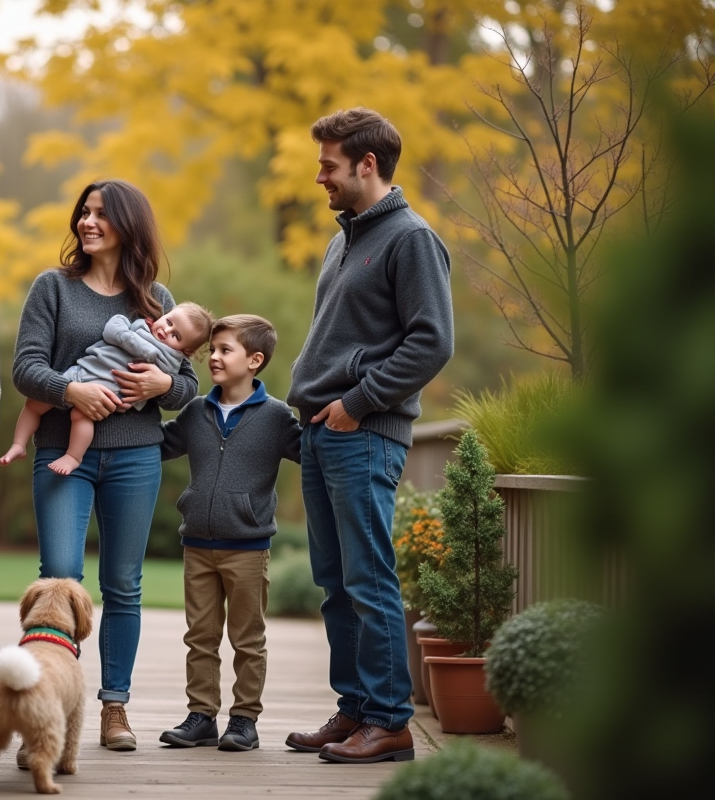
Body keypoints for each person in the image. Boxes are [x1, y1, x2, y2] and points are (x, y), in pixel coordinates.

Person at [285, 107, 453, 763]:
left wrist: (358, 402)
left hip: (365, 431)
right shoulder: (344, 238)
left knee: (369, 579)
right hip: (323, 431)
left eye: (328, 165)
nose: (319, 177)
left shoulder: (411, 239)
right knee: (335, 581)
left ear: (366, 164)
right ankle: (355, 709)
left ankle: (389, 721)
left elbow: (431, 343)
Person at [11, 178, 200, 751]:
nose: (87, 223)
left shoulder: (157, 300)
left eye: (100, 215)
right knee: (59, 580)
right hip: (62, 453)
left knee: (123, 584)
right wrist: (74, 394)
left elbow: (187, 387)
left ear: (128, 226)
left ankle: (114, 708)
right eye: (83, 213)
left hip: (136, 457)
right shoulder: (54, 288)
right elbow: (26, 368)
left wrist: (165, 381)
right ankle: (40, 706)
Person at [157, 314, 302, 752]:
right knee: (199, 636)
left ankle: (243, 721)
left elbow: (314, 454)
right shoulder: (197, 409)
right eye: (213, 349)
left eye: (225, 350)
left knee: (247, 639)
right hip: (197, 544)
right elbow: (160, 444)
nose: (214, 358)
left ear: (254, 360)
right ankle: (200, 716)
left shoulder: (276, 417)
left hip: (248, 547)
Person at [0, 302, 213, 475]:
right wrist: (133, 340)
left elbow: (187, 384)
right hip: (80, 373)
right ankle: (19, 444)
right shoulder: (140, 325)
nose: (166, 331)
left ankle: (73, 456)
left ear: (186, 350)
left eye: (176, 335)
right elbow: (113, 328)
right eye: (168, 321)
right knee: (34, 404)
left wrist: (165, 384)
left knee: (81, 416)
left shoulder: (170, 358)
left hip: (108, 392)